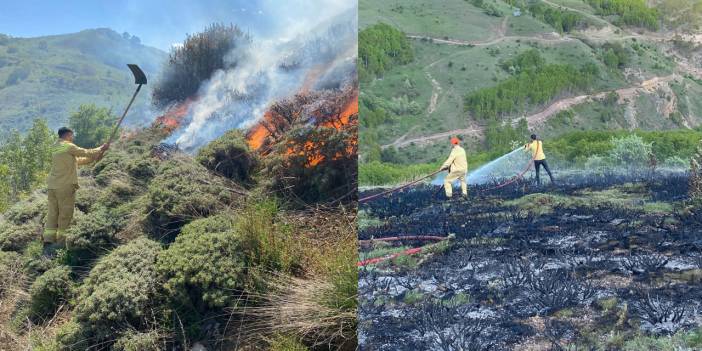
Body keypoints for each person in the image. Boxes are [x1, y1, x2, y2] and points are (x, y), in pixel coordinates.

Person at [43, 127, 109, 248]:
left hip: (52, 186)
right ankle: (61, 243)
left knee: (53, 213)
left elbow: (78, 161)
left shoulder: (56, 147)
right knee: (65, 214)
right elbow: (85, 152)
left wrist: (95, 157)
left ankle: (48, 240)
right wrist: (101, 148)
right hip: (64, 186)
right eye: (71, 136)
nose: (72, 138)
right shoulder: (68, 145)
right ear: (68, 135)